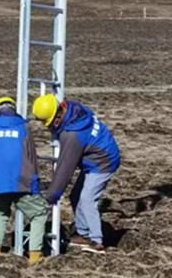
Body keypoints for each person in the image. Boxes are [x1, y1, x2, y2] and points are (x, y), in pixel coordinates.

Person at [32, 94, 120, 254]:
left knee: (87, 199)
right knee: (75, 195)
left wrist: (51, 195)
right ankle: (83, 233)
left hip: (103, 162)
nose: (47, 127)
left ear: (57, 118)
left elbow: (65, 170)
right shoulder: (73, 109)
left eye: (48, 123)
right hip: (96, 157)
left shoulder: (72, 135)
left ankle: (96, 240)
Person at [0, 96, 49, 264]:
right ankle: (34, 254)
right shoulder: (22, 127)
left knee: (0, 213)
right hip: (21, 181)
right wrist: (34, 185)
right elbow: (31, 156)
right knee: (39, 213)